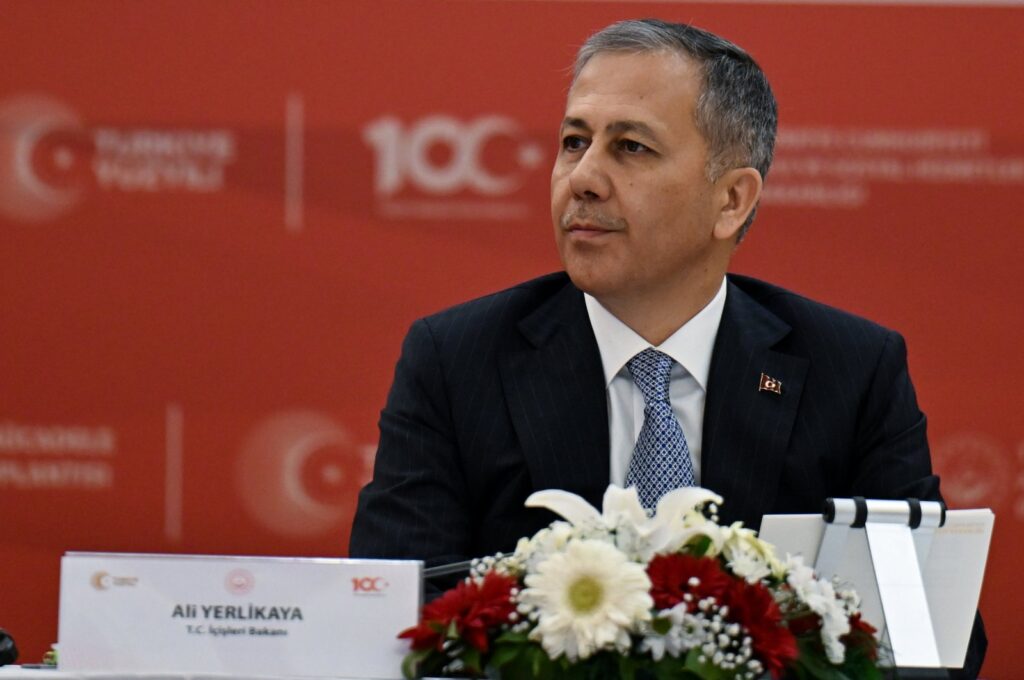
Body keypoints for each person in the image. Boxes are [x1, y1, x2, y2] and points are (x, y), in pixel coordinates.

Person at [349, 19, 984, 677]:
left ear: (732, 200)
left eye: (630, 148)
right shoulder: (456, 360)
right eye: (574, 142)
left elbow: (930, 638)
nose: (583, 178)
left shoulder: (852, 370)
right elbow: (392, 622)